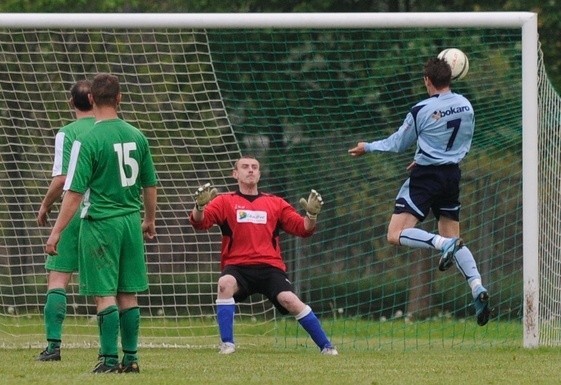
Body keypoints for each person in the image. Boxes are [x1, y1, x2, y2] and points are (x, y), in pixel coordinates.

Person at [348, 57, 491, 327]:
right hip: (452, 175)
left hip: (426, 177)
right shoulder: (466, 105)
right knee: (456, 238)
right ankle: (476, 285)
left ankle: (441, 244)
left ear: (427, 80)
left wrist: (367, 147)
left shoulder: (421, 109)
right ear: (451, 77)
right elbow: (463, 141)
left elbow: (396, 144)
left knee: (395, 234)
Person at [45, 73, 158, 373]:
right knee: (128, 293)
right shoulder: (138, 136)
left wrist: (56, 232)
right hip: (130, 223)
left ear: (91, 99)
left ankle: (109, 359)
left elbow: (74, 192)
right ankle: (131, 358)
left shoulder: (88, 139)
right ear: (120, 98)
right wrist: (148, 220)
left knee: (104, 292)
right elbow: (150, 185)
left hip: (101, 223)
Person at [189, 155, 338, 355]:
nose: (250, 170)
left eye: (254, 167)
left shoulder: (275, 203)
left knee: (290, 300)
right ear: (235, 174)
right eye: (245, 167)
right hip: (238, 267)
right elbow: (199, 223)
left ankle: (327, 347)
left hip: (270, 268)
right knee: (224, 283)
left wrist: (311, 216)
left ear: (259, 174)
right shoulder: (224, 201)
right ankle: (227, 344)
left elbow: (303, 229)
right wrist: (199, 207)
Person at [36, 80, 96, 361]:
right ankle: (111, 350)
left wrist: (45, 205)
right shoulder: (110, 129)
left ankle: (53, 347)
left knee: (58, 279)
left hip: (73, 212)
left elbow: (62, 179)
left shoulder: (67, 132)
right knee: (108, 285)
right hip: (104, 213)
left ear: (71, 103)